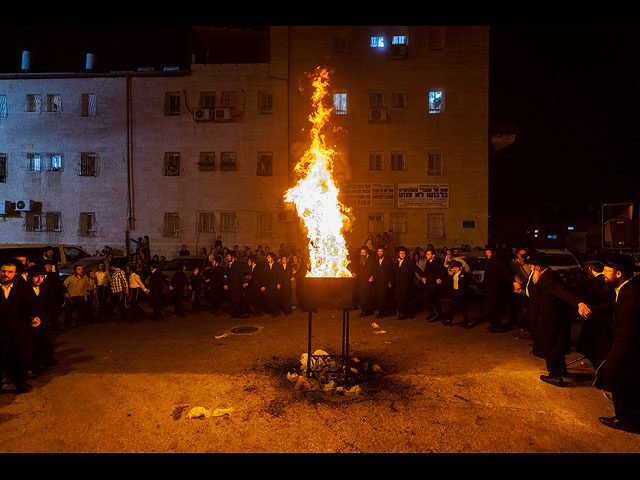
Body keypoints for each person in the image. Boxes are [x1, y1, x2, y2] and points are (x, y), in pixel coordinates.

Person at [525, 252, 591, 387]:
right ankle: (561, 370)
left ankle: (555, 376)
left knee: (551, 348)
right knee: (552, 347)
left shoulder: (550, 279)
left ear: (538, 267)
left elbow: (565, 292)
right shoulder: (539, 276)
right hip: (543, 318)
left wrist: (579, 303)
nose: (531, 268)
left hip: (551, 321)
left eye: (532, 266)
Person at [595, 254, 640, 433]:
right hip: (629, 347)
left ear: (619, 273)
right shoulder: (626, 288)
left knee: (619, 380)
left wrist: (616, 356)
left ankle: (624, 419)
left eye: (606, 271)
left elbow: (628, 330)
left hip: (629, 348)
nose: (603, 275)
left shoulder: (632, 293)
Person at [0, 259, 42, 393]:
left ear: (16, 273)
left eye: (9, 272)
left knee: (21, 356)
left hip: (19, 328)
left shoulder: (22, 287)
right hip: (1, 329)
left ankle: (21, 383)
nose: (6, 274)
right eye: (3, 271)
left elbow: (32, 304)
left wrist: (35, 316)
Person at [576, 257, 614, 371]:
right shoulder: (607, 282)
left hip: (597, 319)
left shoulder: (595, 283)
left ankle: (601, 374)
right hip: (605, 319)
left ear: (590, 269)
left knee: (594, 348)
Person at [482, 246, 513, 333]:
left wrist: (513, 282)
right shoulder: (488, 261)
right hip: (489, 288)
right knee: (490, 308)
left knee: (495, 307)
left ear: (493, 253)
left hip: (496, 289)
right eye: (487, 252)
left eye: (489, 252)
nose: (488, 254)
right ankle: (494, 324)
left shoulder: (498, 261)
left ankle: (497, 326)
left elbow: (505, 272)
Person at [394, 246, 426, 320]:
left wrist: (423, 276)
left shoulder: (408, 262)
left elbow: (416, 269)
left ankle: (409, 313)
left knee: (407, 299)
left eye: (403, 253)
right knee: (399, 299)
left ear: (405, 254)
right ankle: (401, 313)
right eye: (400, 253)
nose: (402, 255)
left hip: (406, 283)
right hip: (398, 284)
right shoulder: (397, 262)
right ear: (398, 254)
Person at [443, 260, 473, 328]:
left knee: (454, 307)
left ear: (460, 268)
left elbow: (467, 282)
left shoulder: (464, 275)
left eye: (456, 267)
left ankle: (450, 320)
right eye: (454, 267)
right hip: (455, 292)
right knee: (462, 308)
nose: (455, 269)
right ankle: (465, 322)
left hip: (461, 293)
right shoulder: (455, 274)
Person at [508, 248, 532, 333]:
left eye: (524, 255)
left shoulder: (529, 264)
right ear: (518, 255)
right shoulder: (513, 263)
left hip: (526, 290)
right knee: (514, 307)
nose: (523, 257)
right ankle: (512, 322)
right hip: (516, 290)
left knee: (525, 308)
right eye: (521, 255)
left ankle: (524, 325)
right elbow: (509, 274)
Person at [423, 248, 447, 322]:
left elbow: (444, 272)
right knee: (434, 300)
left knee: (424, 297)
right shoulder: (428, 262)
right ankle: (440, 314)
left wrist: (441, 279)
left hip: (434, 285)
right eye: (426, 254)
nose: (427, 255)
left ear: (433, 255)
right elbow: (426, 272)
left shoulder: (437, 263)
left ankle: (433, 313)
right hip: (429, 284)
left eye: (428, 254)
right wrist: (424, 277)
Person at [63, 264, 88, 329]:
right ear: (75, 270)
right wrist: (66, 293)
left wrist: (85, 296)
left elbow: (85, 288)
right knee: (69, 312)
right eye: (78, 269)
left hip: (81, 296)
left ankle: (79, 324)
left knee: (80, 311)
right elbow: (64, 286)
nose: (80, 271)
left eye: (81, 269)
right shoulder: (70, 278)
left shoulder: (84, 278)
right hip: (72, 297)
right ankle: (67, 324)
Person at [354, 247, 376, 317]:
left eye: (363, 253)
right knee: (362, 296)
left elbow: (375, 269)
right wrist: (355, 273)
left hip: (368, 281)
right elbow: (358, 269)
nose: (362, 254)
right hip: (361, 281)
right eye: (361, 253)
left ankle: (368, 311)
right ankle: (364, 310)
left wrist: (372, 276)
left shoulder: (371, 260)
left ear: (367, 253)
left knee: (367, 296)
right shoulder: (360, 259)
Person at [373, 246, 394, 318]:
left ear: (383, 252)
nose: (380, 253)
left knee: (384, 297)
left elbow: (391, 272)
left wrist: (390, 281)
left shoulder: (387, 260)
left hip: (385, 282)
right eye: (379, 252)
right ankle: (381, 311)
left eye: (381, 252)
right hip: (378, 282)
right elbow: (375, 271)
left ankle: (384, 312)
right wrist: (373, 277)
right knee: (379, 297)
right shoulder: (376, 261)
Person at [223, 251, 245, 318]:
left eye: (228, 256)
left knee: (237, 299)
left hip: (237, 285)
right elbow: (227, 276)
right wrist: (226, 283)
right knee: (233, 299)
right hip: (232, 285)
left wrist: (244, 282)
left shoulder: (237, 264)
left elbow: (241, 274)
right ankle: (235, 312)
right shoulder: (229, 265)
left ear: (232, 257)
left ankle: (237, 313)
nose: (227, 258)